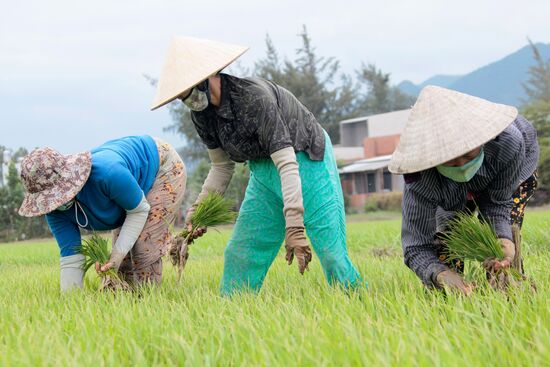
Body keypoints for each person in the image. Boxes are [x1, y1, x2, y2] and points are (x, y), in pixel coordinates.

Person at [151, 36, 364, 295]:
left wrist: (294, 225)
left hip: (304, 159)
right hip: (262, 170)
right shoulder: (202, 116)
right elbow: (221, 167)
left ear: (207, 79)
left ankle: (358, 300)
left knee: (329, 250)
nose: (188, 101)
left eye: (188, 92)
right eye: (181, 97)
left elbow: (287, 163)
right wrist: (198, 213)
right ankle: (233, 318)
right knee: (240, 253)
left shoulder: (253, 98)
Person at [389, 85, 539, 295]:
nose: (461, 166)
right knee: (447, 236)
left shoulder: (507, 141)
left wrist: (502, 238)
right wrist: (439, 274)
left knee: (502, 238)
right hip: (446, 187)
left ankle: (509, 289)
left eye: (468, 155)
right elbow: (416, 246)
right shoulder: (420, 177)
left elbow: (497, 205)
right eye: (450, 161)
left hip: (506, 168)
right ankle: (453, 293)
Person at [18, 135, 186, 291]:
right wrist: (71, 303)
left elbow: (138, 210)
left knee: (144, 247)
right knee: (121, 266)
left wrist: (117, 254)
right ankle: (127, 311)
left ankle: (151, 307)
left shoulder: (106, 173)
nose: (56, 202)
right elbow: (71, 258)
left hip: (161, 167)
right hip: (129, 188)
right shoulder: (54, 211)